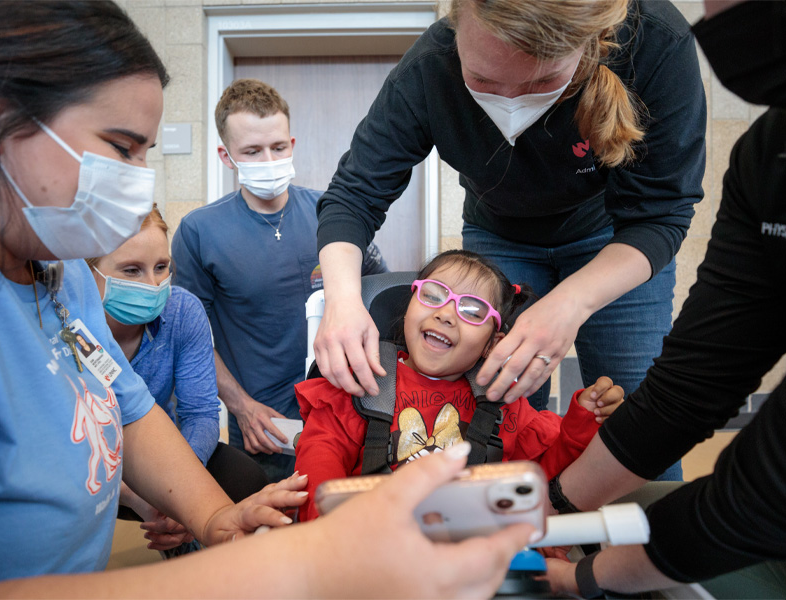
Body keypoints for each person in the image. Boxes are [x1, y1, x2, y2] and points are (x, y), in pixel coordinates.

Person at [0, 3, 541, 598]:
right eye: (121, 148)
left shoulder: (48, 255)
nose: (138, 182)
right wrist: (311, 562)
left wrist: (217, 516)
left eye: (146, 151)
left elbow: (127, 404)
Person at [312, 0, 706, 482]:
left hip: (616, 240)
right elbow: (354, 194)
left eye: (542, 83)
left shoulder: (655, 44)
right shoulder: (430, 67)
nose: (511, 102)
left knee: (642, 421)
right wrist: (342, 299)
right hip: (498, 232)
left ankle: (639, 554)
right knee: (493, 407)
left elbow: (662, 212)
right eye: (483, 80)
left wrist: (568, 305)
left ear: (588, 50)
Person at [538, 1, 786, 597]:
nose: (714, 11)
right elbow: (695, 382)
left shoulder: (658, 45)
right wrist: (552, 508)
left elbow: (761, 494)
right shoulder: (767, 155)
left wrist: (581, 579)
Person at [295, 249, 624, 522]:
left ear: (493, 345)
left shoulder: (500, 404)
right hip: (370, 546)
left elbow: (547, 479)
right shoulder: (362, 383)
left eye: (471, 310)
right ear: (408, 308)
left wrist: (585, 419)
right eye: (433, 295)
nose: (446, 314)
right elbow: (318, 474)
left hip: (473, 555)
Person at [171, 78, 388, 482]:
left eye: (278, 147)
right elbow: (188, 339)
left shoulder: (332, 215)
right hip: (263, 426)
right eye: (252, 151)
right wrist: (240, 406)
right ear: (226, 155)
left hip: (343, 414)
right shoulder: (199, 231)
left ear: (292, 143)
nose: (269, 159)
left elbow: (384, 297)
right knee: (268, 533)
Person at [86, 206, 270, 555]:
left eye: (161, 267)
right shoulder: (68, 327)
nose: (153, 285)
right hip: (86, 463)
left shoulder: (182, 311)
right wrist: (144, 498)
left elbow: (201, 413)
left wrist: (178, 491)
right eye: (131, 271)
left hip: (163, 452)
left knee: (247, 479)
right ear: (88, 271)